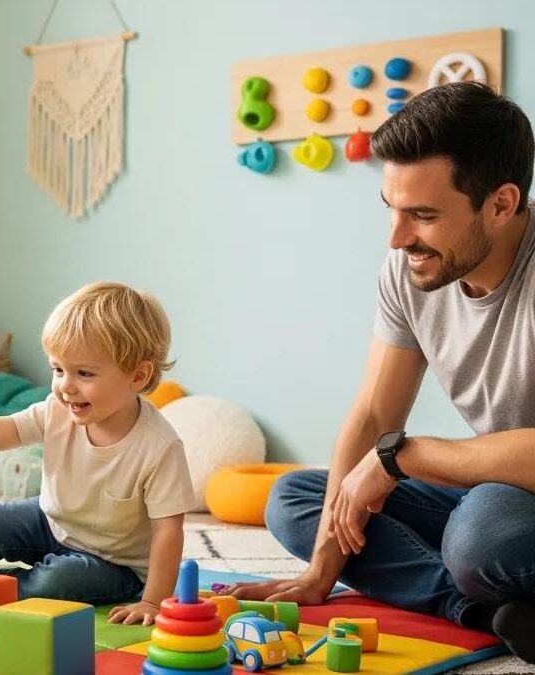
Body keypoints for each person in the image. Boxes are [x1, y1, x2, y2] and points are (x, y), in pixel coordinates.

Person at [223, 82, 535, 662]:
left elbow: (394, 445)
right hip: (494, 493)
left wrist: (404, 455)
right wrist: (320, 572)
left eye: (423, 215)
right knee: (302, 500)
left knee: (479, 541)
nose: (397, 238)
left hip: (507, 507)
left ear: (501, 203)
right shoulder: (412, 267)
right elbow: (372, 414)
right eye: (392, 209)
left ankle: (478, 580)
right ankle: (489, 612)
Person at [0, 282, 196, 626]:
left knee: (52, 583)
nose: (65, 386)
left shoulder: (159, 446)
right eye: (58, 369)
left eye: (84, 373)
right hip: (50, 521)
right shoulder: (58, 410)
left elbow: (168, 531)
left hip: (114, 563)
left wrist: (152, 601)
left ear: (138, 375)